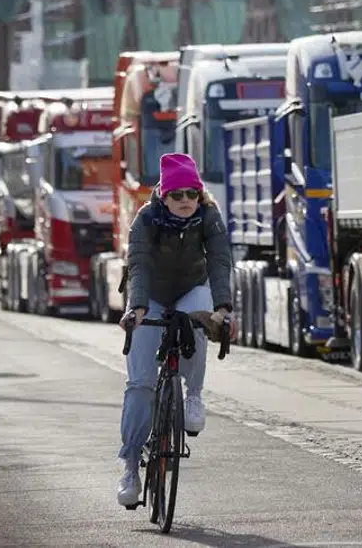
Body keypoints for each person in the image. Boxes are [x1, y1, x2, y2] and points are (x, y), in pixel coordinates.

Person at [116, 152, 235, 507]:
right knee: (140, 384)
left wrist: (224, 309)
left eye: (191, 194)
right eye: (177, 195)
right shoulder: (146, 219)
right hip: (149, 296)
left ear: (200, 195)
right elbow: (137, 264)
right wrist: (136, 309)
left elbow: (219, 261)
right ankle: (129, 467)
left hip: (190, 290)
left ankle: (193, 394)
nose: (185, 201)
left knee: (197, 320)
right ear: (163, 196)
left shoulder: (209, 217)